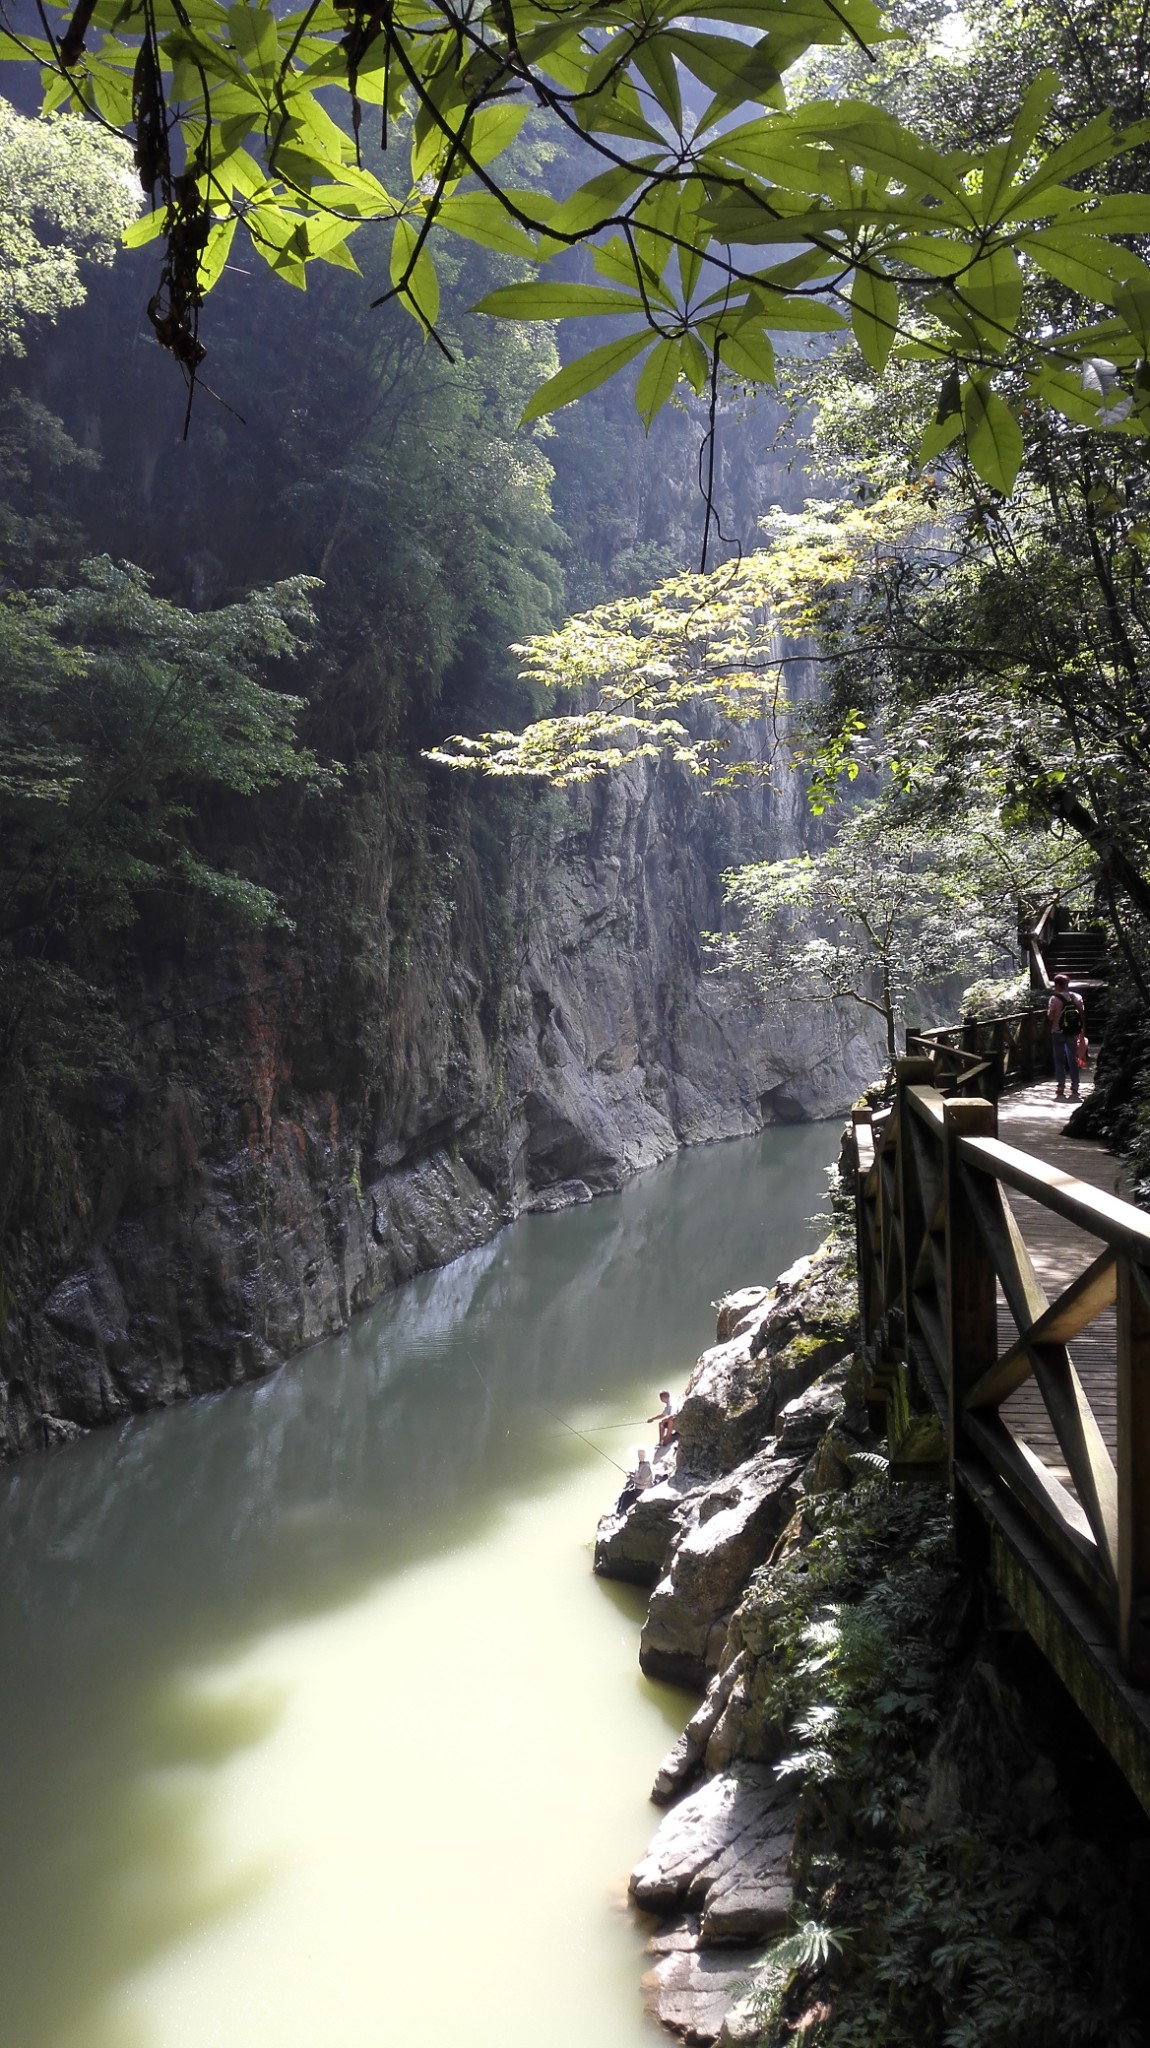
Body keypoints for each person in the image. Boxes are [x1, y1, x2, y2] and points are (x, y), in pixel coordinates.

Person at [1047, 972, 1085, 1101]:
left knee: (1059, 1060)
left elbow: (1051, 1016)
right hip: (1073, 1032)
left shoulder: (1054, 999)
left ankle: (1061, 1085)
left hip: (1057, 1032)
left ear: (1057, 984)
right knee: (1072, 1059)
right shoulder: (1077, 997)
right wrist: (1082, 1030)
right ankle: (1075, 1085)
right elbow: (1081, 1015)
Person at [616, 1448, 654, 1514]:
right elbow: (639, 1475)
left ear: (645, 1456)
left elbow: (643, 1481)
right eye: (639, 1455)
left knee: (626, 1495)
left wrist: (632, 1478)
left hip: (642, 1488)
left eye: (641, 1455)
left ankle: (622, 1511)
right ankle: (619, 1510)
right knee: (623, 1494)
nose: (639, 1456)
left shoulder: (646, 1468)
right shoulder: (642, 1464)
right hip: (638, 1486)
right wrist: (632, 1473)